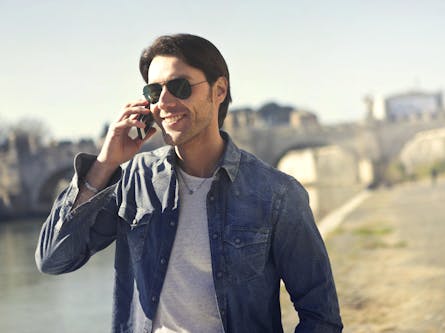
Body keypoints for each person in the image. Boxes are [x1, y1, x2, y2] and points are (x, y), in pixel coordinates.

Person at [35, 33, 343, 333]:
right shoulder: (136, 179)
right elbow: (53, 259)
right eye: (153, 93)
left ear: (218, 90)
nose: (164, 103)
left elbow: (321, 314)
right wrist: (105, 163)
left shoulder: (277, 193)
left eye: (179, 87)